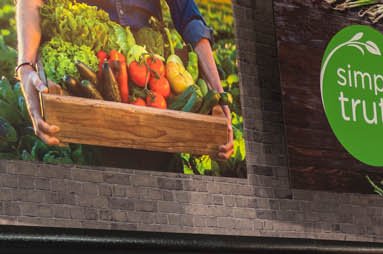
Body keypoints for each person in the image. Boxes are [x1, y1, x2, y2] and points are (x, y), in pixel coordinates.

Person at [15, 0, 232, 153]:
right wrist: (25, 67)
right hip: (92, 80)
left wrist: (218, 95)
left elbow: (190, 19)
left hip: (153, 83)